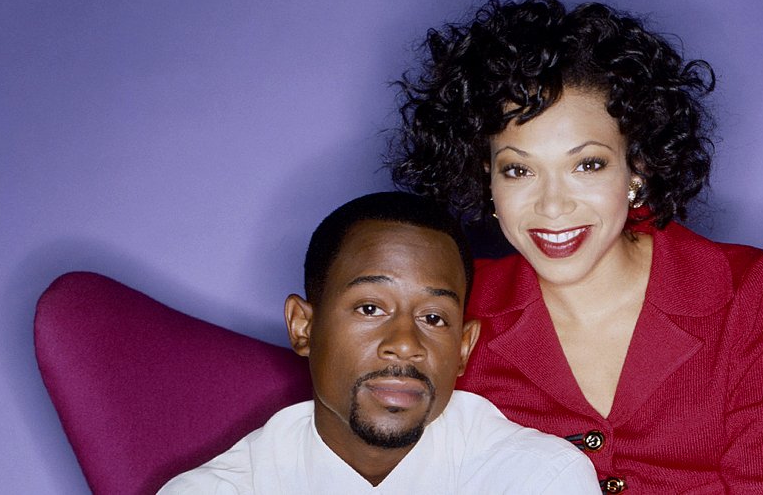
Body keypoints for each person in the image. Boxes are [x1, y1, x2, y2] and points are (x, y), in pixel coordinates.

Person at [389, 0, 763, 493]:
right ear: (486, 179)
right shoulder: (454, 304)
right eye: (518, 169)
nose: (552, 206)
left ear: (636, 167)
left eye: (587, 164)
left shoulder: (753, 291)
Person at [160, 192, 599, 494]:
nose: (405, 344)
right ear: (302, 327)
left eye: (433, 317)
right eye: (370, 309)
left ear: (464, 347)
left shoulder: (536, 478)